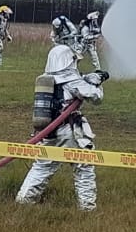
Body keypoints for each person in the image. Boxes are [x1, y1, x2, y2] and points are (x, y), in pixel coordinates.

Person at [16, 43, 107, 211]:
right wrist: (98, 82)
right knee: (83, 168)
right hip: (70, 132)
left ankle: (23, 201)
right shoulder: (72, 81)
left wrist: (87, 78)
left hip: (48, 132)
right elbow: (96, 97)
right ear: (68, 62)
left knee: (42, 167)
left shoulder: (47, 80)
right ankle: (87, 209)